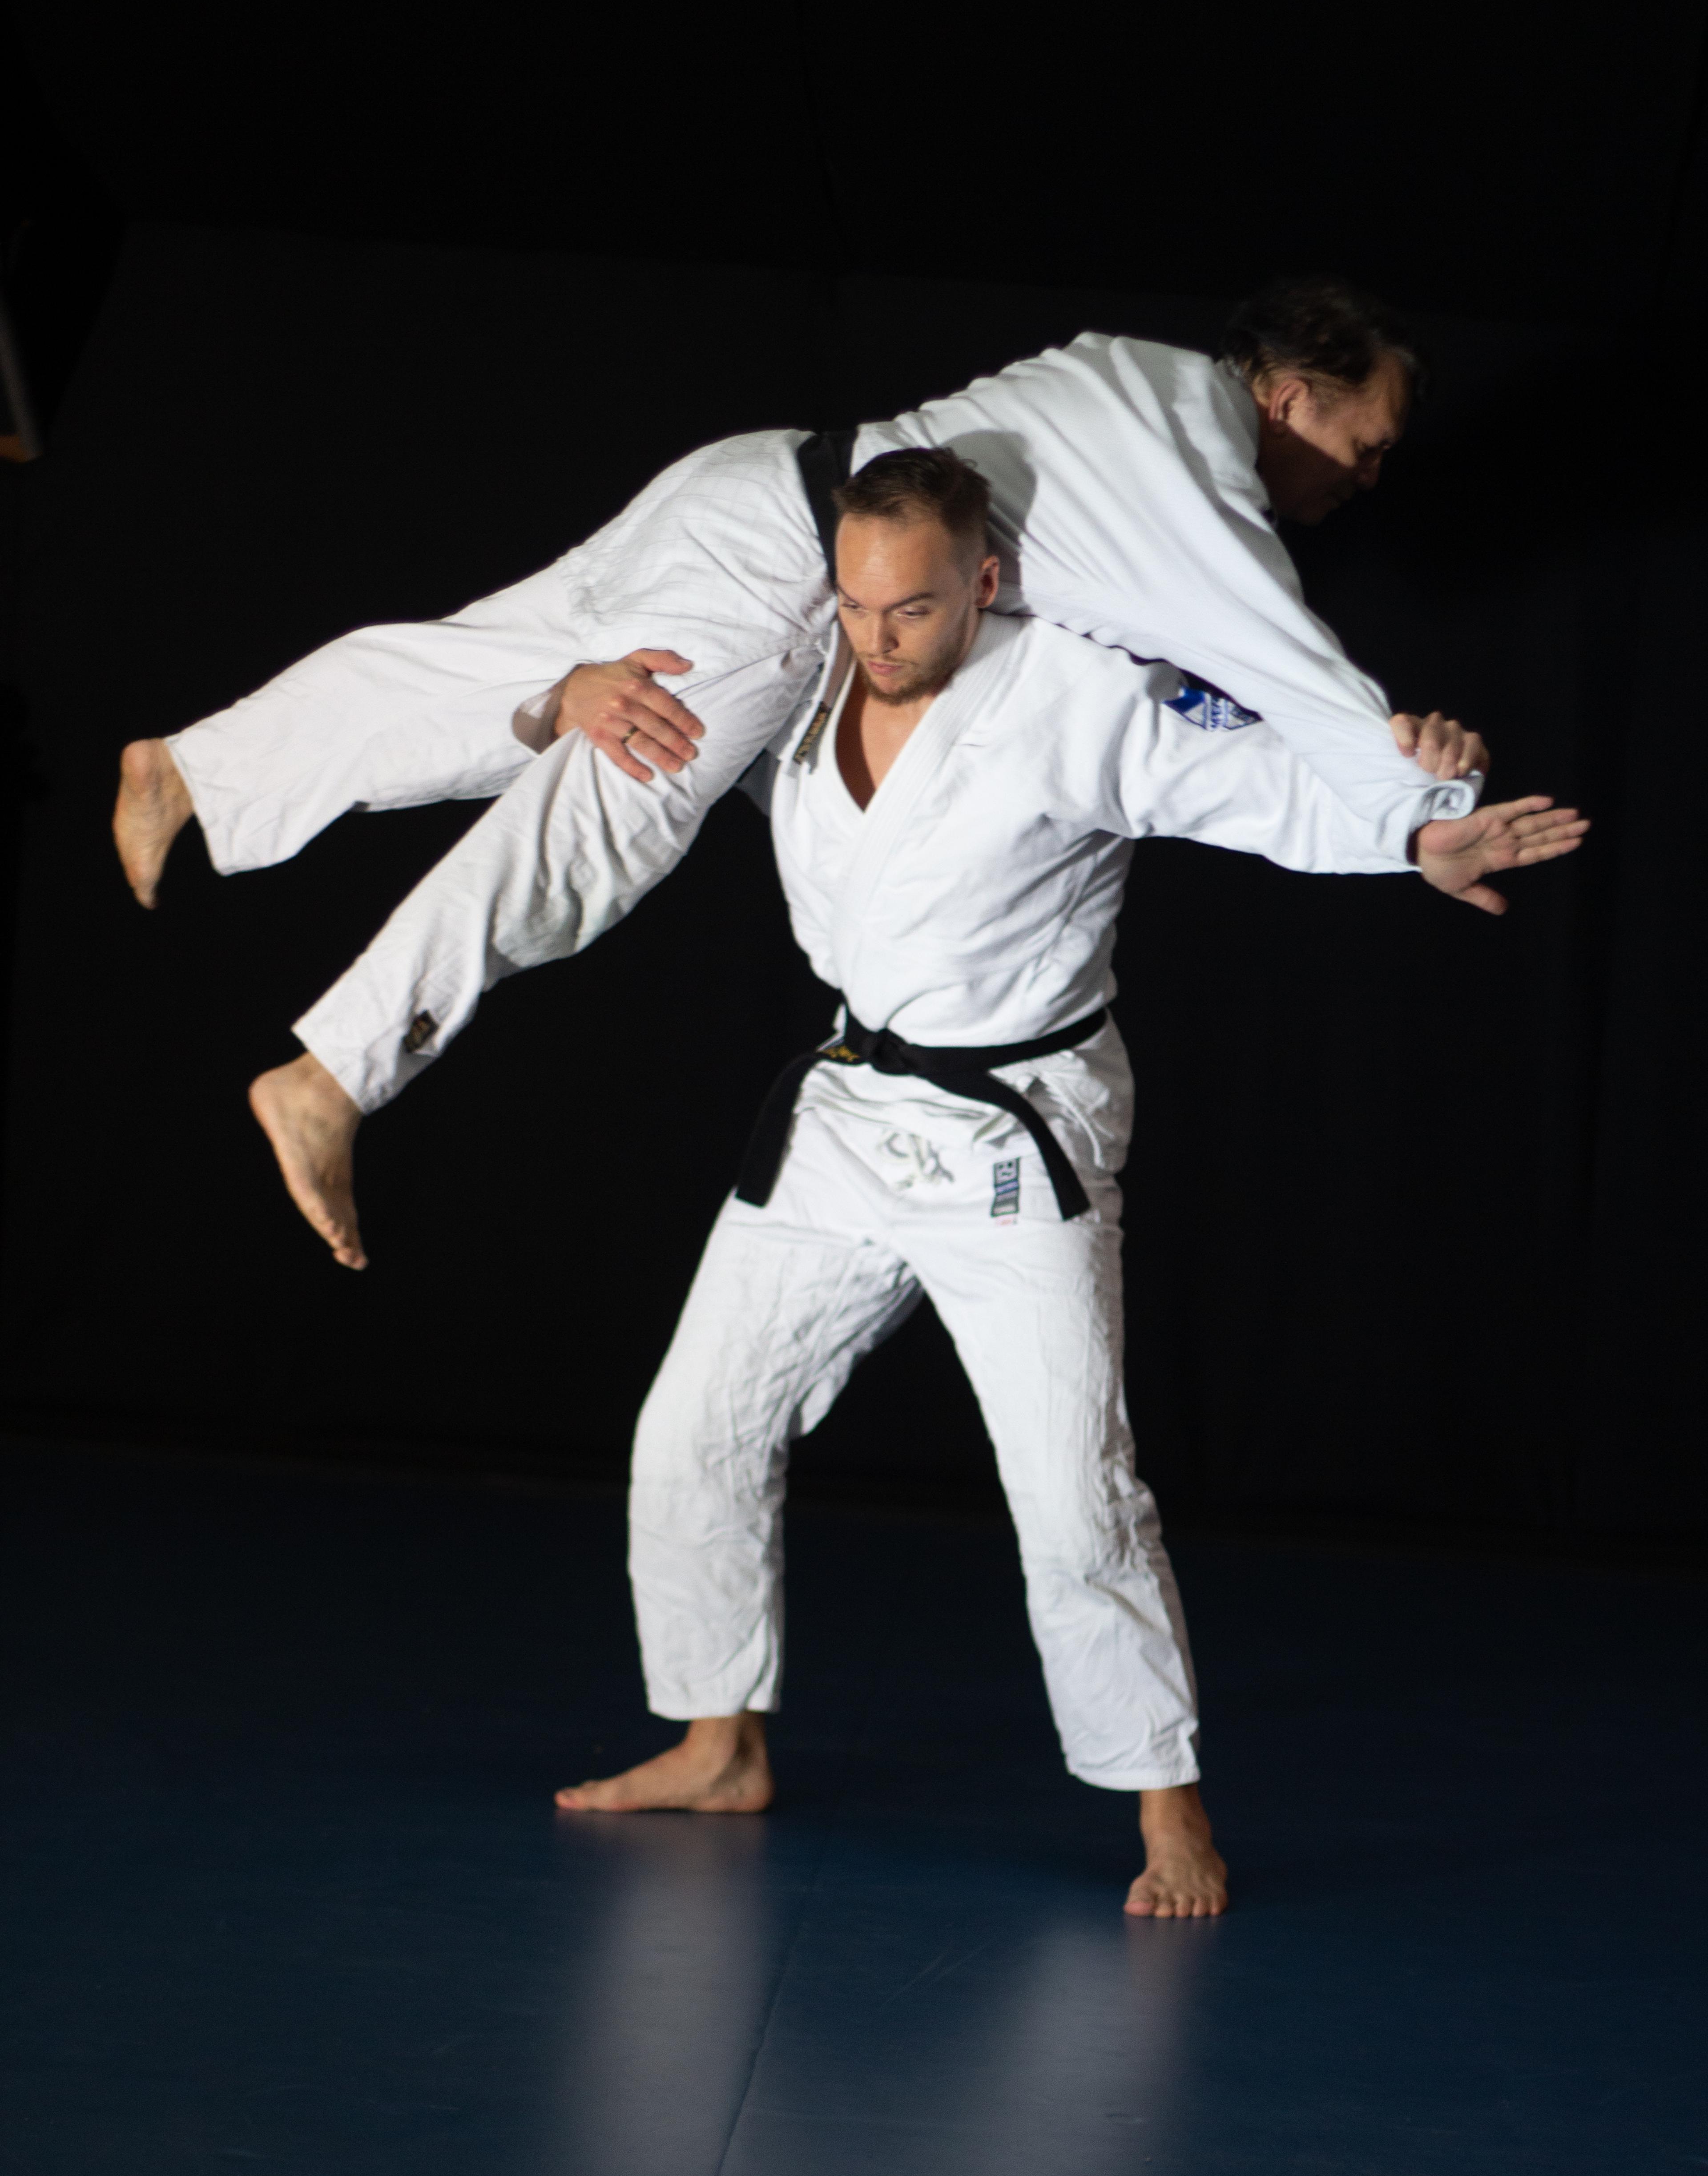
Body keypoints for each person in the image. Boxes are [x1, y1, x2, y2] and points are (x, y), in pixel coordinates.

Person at [473, 446, 1583, 1920]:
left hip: (1013, 1139)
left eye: (915, 609)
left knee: (1072, 1494)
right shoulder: (802, 672)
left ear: (985, 579)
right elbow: (588, 715)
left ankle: (1167, 1808)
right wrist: (555, 696)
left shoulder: (1076, 692)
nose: (878, 638)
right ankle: (717, 1739)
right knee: (693, 1429)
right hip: (851, 1114)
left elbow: (1260, 778)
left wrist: (1413, 823)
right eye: (859, 605)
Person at [114, 277, 1481, 936]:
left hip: (749, 484)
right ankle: (345, 1067)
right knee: (625, 791)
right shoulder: (1191, 468)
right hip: (785, 554)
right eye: (1370, 441)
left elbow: (1235, 662)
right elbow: (1275, 651)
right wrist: (1423, 811)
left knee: (493, 673)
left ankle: (194, 764)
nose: (1371, 476)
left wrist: (1386, 760)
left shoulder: (1131, 374)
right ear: (1292, 395)